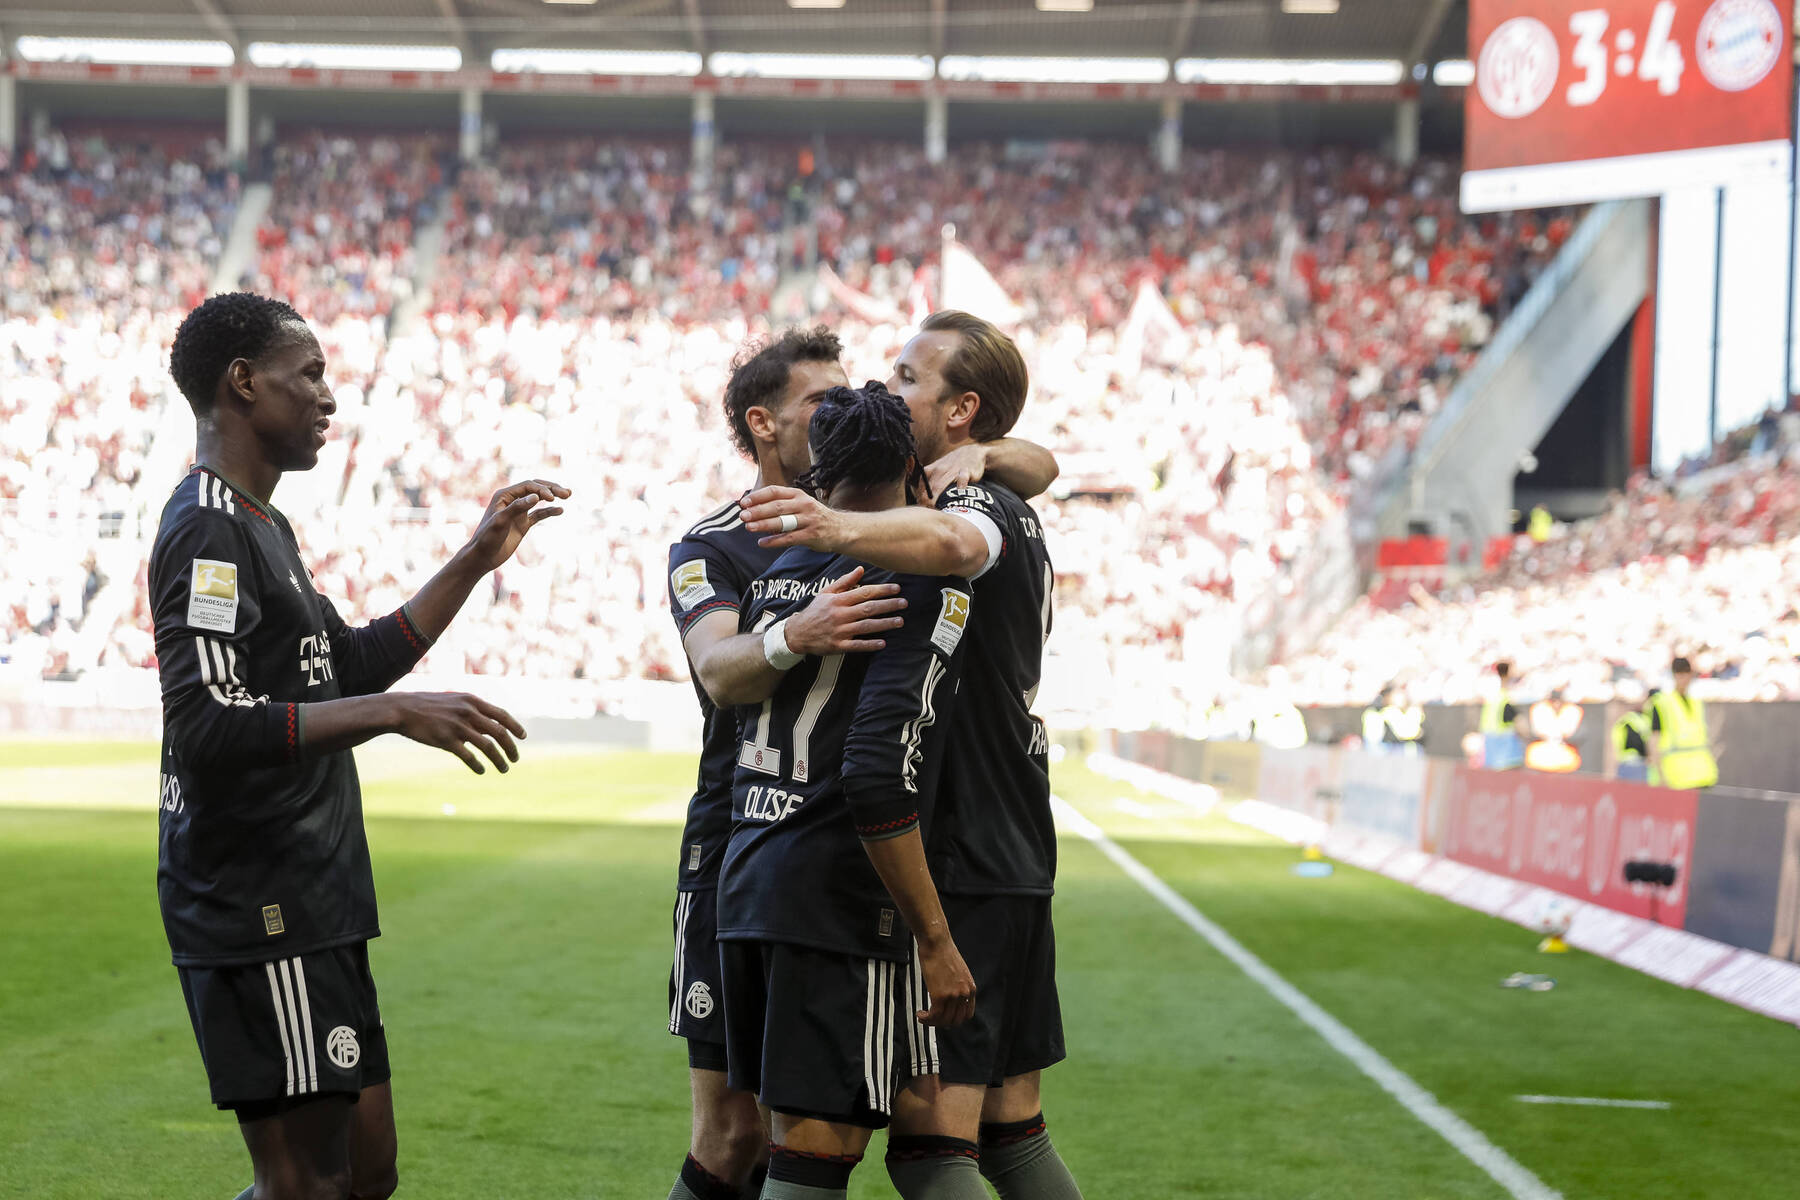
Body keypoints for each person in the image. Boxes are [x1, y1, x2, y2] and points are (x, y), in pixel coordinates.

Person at [151, 292, 568, 1200]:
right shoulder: (208, 527)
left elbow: (350, 662)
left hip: (315, 893)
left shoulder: (264, 525)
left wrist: (474, 557)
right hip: (257, 899)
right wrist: (392, 716)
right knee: (309, 1183)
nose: (328, 396)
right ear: (243, 382)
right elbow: (211, 722)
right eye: (311, 375)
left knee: (364, 1172)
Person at [663, 328, 1057, 1200]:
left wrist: (981, 455)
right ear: (767, 427)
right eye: (831, 395)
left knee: (917, 1134)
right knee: (767, 1134)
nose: (867, 393)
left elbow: (1025, 477)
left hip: (895, 860)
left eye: (891, 380)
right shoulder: (721, 544)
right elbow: (722, 674)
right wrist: (792, 633)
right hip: (761, 854)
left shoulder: (934, 523)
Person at [713, 381, 981, 1200]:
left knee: (842, 1130)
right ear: (912, 464)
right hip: (834, 897)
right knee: (814, 1155)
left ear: (818, 474)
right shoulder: (914, 580)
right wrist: (935, 939)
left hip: (750, 881)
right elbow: (874, 769)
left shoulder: (782, 570)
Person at [1648, 656, 1719, 789]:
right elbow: (1654, 740)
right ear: (1674, 675)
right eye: (1680, 674)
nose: (1684, 678)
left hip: (1702, 774)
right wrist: (1659, 774)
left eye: (1686, 673)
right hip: (1676, 777)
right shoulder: (1662, 703)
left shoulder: (1696, 703)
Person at [1478, 660, 1528, 770]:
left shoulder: (1492, 697)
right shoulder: (1505, 697)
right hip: (1504, 746)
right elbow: (1519, 723)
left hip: (1491, 745)